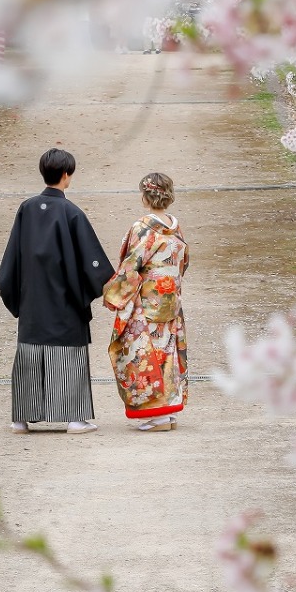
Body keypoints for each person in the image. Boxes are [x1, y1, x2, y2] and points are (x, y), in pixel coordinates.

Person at [0, 148, 114, 435]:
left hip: (32, 300)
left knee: (29, 354)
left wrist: (17, 294)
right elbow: (93, 263)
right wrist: (105, 282)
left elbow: (11, 259)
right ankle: (74, 419)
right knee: (67, 356)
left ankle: (20, 420)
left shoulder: (26, 208)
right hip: (64, 301)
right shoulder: (71, 212)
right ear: (66, 175)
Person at [103, 172, 189, 432]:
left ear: (145, 196)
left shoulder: (143, 227)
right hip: (171, 298)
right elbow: (183, 263)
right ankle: (169, 411)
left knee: (144, 353)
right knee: (168, 352)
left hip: (147, 301)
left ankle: (157, 416)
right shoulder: (175, 226)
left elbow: (130, 266)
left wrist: (113, 293)